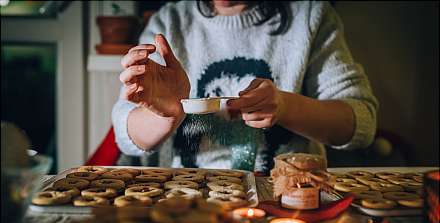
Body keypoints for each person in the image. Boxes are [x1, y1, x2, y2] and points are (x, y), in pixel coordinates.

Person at [112, 0, 378, 174]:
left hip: (289, 199)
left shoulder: (311, 15)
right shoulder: (169, 21)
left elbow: (360, 124)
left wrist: (286, 107)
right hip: (188, 202)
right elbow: (127, 135)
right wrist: (166, 115)